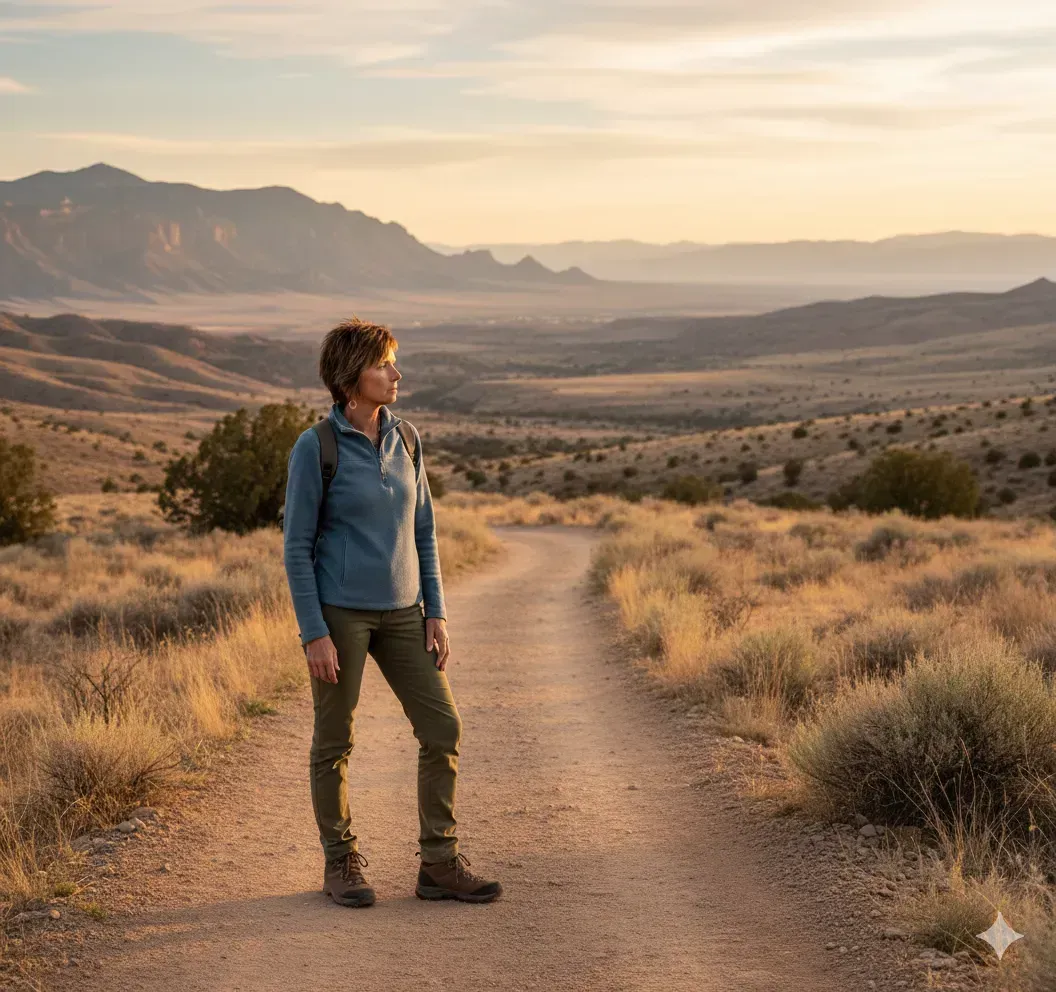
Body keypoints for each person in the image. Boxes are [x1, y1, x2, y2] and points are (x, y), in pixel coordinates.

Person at [282, 316, 502, 908]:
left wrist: (437, 609)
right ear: (351, 376)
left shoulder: (406, 438)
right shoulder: (316, 448)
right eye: (384, 364)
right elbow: (297, 548)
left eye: (393, 362)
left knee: (442, 727)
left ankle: (439, 864)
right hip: (340, 616)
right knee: (335, 741)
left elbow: (423, 530)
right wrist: (314, 633)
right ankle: (341, 863)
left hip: (406, 612)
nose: (396, 374)